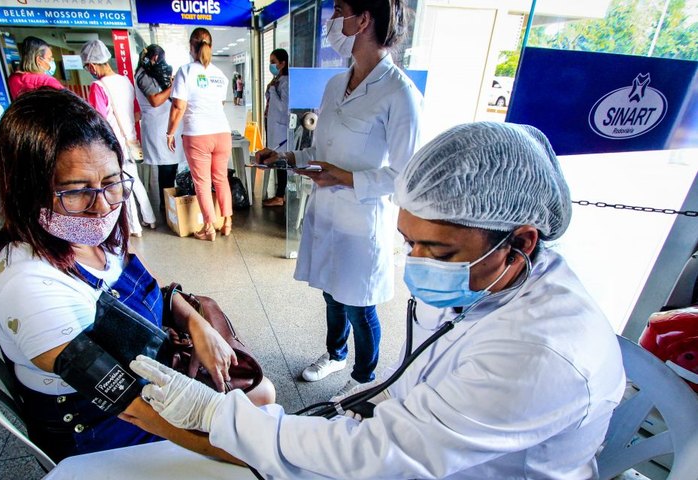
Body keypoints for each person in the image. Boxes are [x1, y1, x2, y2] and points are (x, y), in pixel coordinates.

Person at [126, 121, 627, 479]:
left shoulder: (542, 353)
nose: (418, 263)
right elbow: (414, 398)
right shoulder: (486, 277)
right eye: (409, 243)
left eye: (439, 251)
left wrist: (216, 416)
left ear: (522, 241)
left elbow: (380, 458)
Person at [0, 88, 274, 463]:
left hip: (145, 377)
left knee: (261, 394)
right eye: (76, 192)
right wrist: (248, 454)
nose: (102, 206)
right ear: (28, 191)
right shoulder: (29, 288)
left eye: (111, 182)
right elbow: (132, 408)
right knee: (259, 409)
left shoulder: (91, 238)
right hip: (101, 426)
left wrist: (198, 324)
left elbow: (155, 292)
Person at [256, 0, 422, 396]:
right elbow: (321, 150)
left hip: (362, 222)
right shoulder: (335, 85)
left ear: (363, 20)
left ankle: (364, 380)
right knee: (332, 293)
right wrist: (286, 158)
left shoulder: (400, 93)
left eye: (338, 10)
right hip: (327, 214)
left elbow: (405, 176)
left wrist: (343, 178)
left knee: (359, 306)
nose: (331, 21)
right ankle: (335, 354)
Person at [81, 39, 157, 238]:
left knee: (123, 185)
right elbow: (137, 113)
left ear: (92, 65)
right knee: (135, 181)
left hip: (113, 144)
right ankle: (150, 218)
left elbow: (98, 121)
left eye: (87, 67)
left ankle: (134, 227)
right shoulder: (125, 81)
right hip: (131, 141)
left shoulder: (98, 86)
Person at [166, 28, 233, 242]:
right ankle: (227, 222)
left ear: (191, 46)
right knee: (221, 179)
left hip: (197, 134)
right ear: (210, 46)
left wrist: (170, 133)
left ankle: (209, 228)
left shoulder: (185, 71)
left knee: (202, 183)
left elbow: (178, 106)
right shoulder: (220, 75)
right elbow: (220, 105)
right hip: (222, 133)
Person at [134, 44, 183, 214]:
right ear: (154, 58)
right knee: (166, 168)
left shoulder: (152, 73)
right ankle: (166, 206)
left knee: (171, 166)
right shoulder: (143, 75)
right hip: (158, 127)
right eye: (160, 59)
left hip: (167, 125)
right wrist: (173, 86)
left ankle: (169, 203)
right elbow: (155, 100)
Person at [262, 49, 289, 208]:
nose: (271, 65)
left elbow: (283, 107)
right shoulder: (277, 80)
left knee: (281, 159)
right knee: (275, 157)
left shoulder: (285, 82)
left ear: (282, 63)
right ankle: (279, 193)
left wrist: (272, 90)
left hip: (280, 127)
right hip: (273, 124)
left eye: (274, 62)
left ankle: (280, 196)